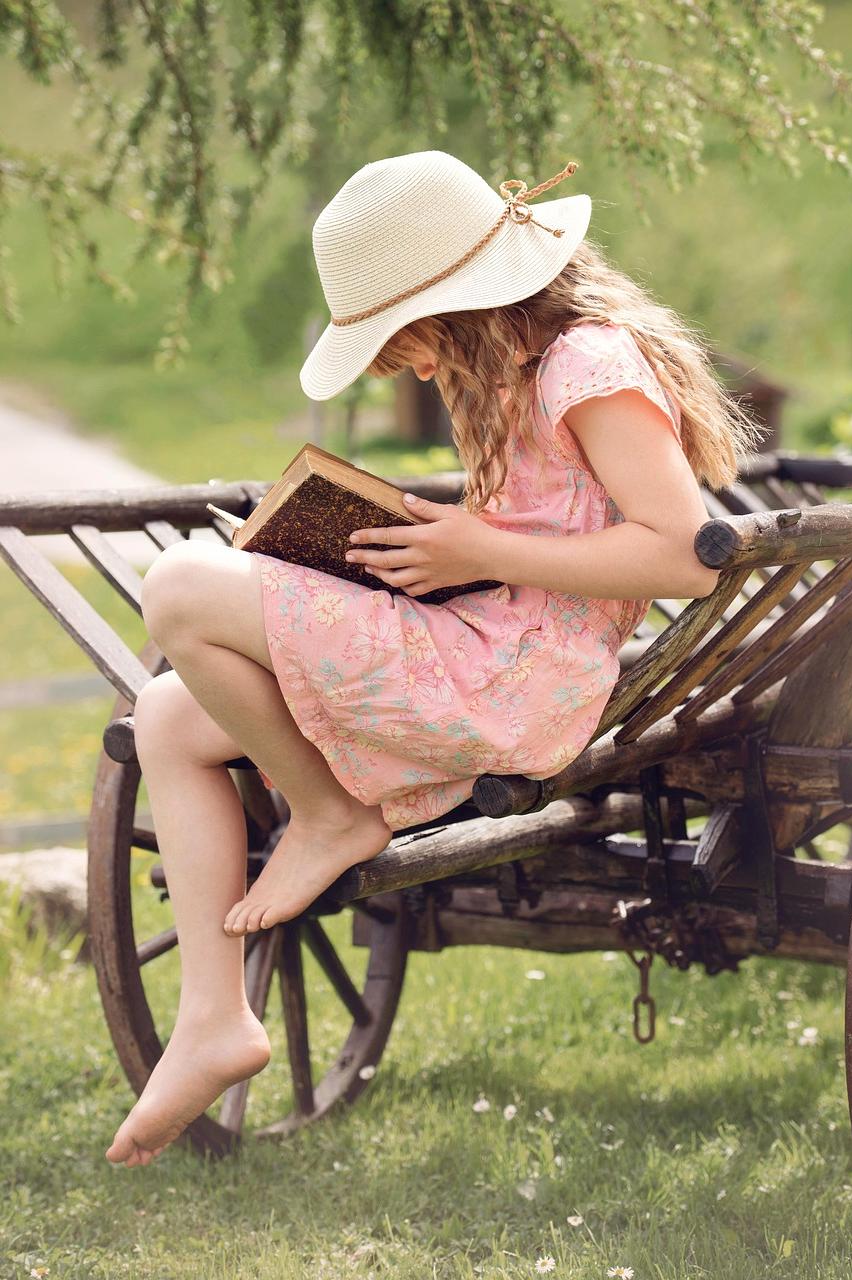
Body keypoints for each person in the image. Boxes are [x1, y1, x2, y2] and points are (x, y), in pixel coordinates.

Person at [105, 149, 763, 1166]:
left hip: (516, 684)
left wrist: (475, 547)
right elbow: (544, 524)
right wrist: (421, 541)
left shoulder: (587, 364)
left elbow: (685, 555)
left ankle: (331, 812)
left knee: (182, 585)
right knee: (165, 719)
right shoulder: (499, 368)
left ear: (456, 302)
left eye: (401, 339)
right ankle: (212, 1017)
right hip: (478, 643)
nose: (405, 365)